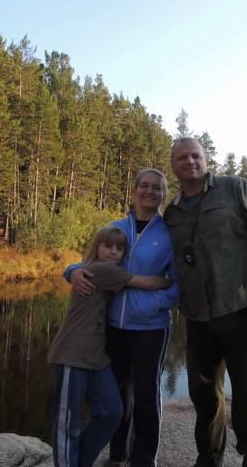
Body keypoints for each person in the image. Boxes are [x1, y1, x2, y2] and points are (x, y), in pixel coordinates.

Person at [163, 137, 247, 467]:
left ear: (206, 159)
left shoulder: (236, 189)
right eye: (182, 158)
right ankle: (208, 457)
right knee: (203, 394)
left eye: (195, 155)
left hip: (243, 307)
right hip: (198, 315)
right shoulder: (172, 213)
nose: (189, 161)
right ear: (174, 165)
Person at [65, 168, 180, 467]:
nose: (149, 192)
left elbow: (178, 283)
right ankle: (117, 455)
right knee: (113, 396)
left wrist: (155, 303)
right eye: (144, 186)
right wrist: (72, 272)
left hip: (150, 328)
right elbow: (88, 261)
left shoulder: (169, 236)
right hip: (112, 326)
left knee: (145, 392)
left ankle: (143, 458)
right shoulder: (115, 228)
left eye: (157, 188)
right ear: (134, 190)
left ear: (163, 195)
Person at [49, 225, 171, 467]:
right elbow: (146, 282)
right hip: (72, 352)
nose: (114, 252)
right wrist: (170, 281)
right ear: (97, 247)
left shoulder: (95, 269)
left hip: (97, 356)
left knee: (112, 411)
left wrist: (72, 269)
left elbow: (75, 268)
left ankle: (80, 461)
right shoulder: (100, 270)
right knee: (67, 422)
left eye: (119, 248)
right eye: (107, 246)